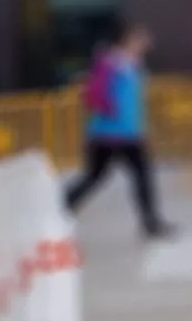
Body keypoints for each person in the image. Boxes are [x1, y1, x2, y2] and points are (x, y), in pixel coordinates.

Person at [62, 24, 168, 237]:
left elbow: (132, 102)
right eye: (140, 38)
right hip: (111, 133)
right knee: (100, 176)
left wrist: (141, 127)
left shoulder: (132, 65)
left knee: (118, 176)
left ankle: (151, 223)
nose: (145, 41)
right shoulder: (112, 64)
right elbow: (100, 96)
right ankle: (60, 207)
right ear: (127, 39)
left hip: (123, 133)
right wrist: (123, 119)